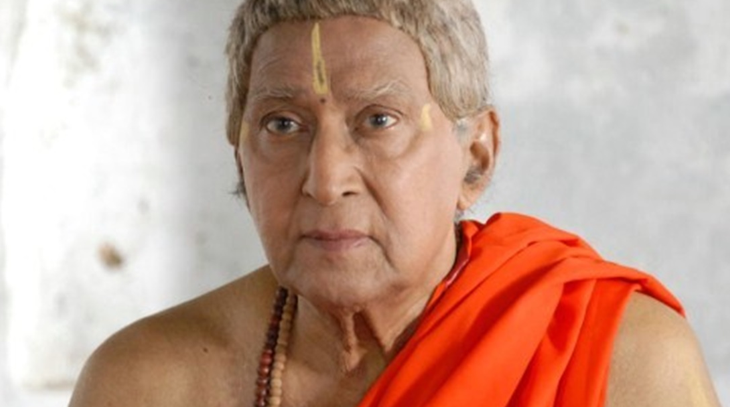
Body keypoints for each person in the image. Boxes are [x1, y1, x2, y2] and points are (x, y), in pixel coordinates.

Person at [69, 0, 721, 406]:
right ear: (239, 154)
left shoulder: (622, 361)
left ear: (476, 156)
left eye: (378, 120)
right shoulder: (146, 384)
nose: (326, 180)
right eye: (282, 124)